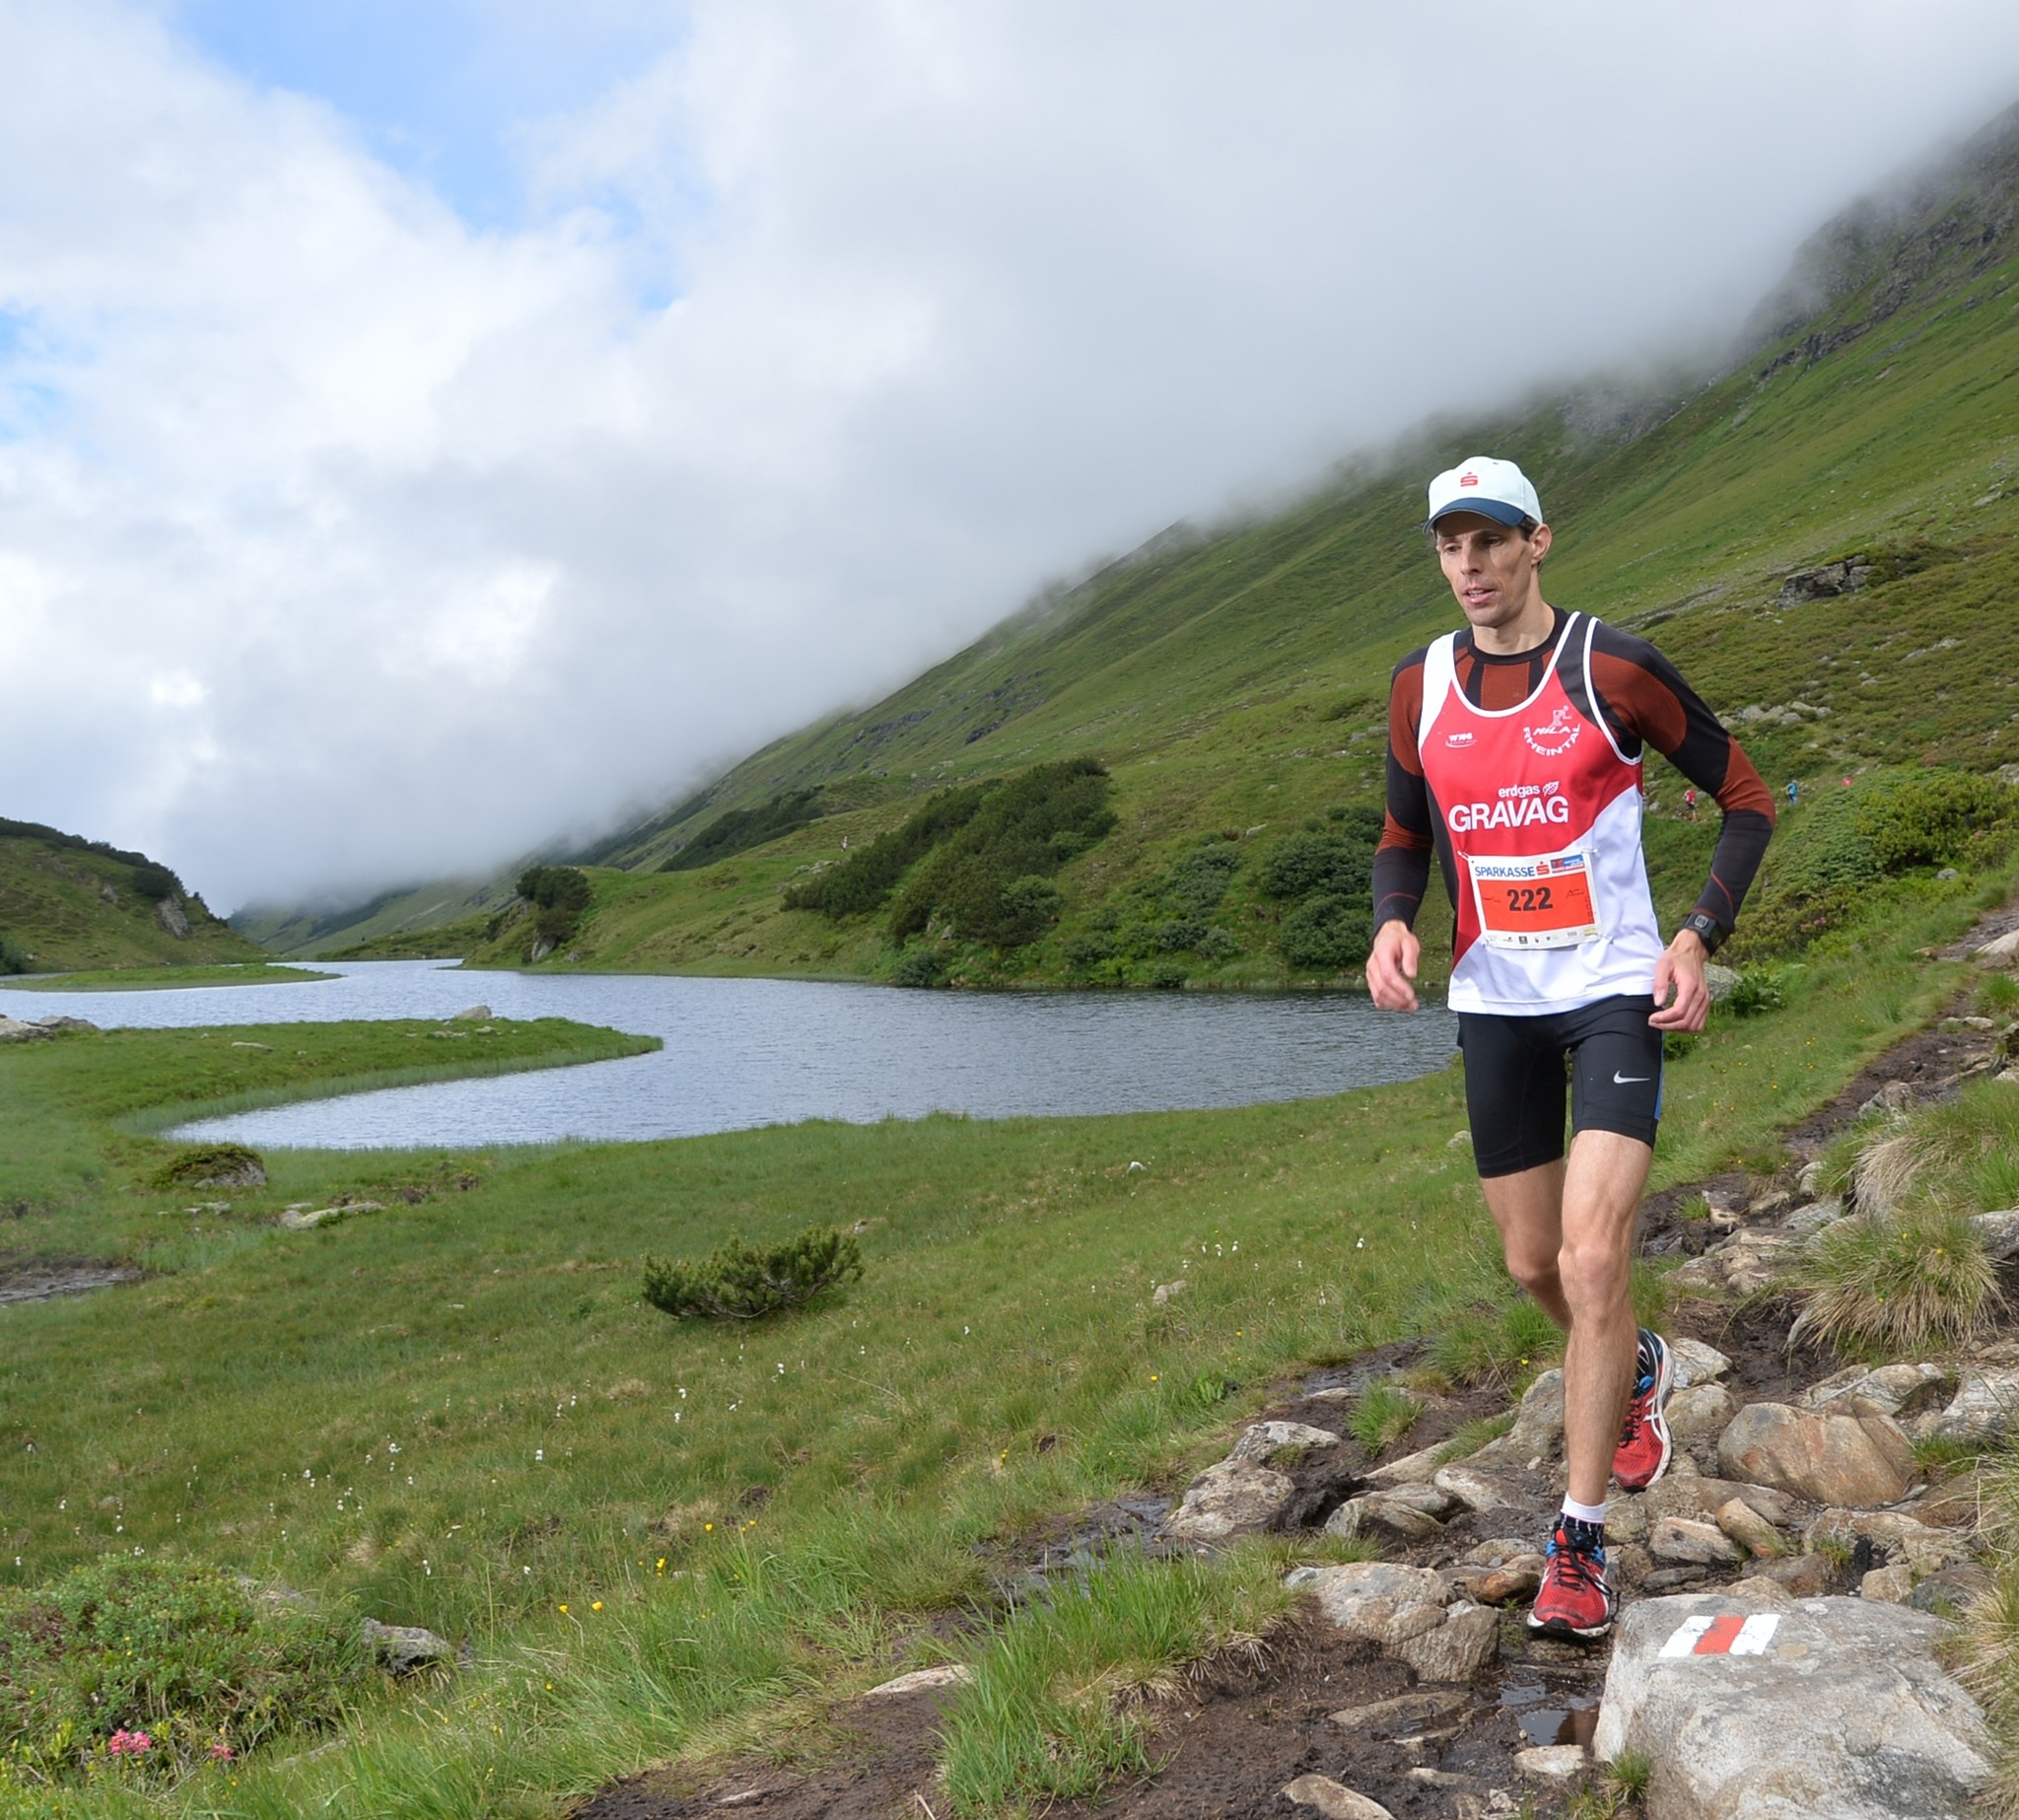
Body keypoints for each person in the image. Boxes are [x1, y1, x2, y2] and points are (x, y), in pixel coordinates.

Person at [1366, 455, 1775, 1639]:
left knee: (1593, 1260)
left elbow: (1745, 796)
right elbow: (1403, 830)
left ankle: (1581, 1542)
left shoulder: (1614, 668)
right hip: (1492, 998)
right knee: (1533, 1268)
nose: (1469, 566)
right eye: (1449, 545)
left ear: (1536, 542)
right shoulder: (1418, 683)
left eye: (1489, 541)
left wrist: (1695, 937)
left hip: (1609, 993)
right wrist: (1393, 920)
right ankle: (1636, 1368)